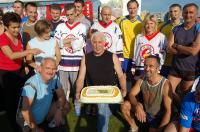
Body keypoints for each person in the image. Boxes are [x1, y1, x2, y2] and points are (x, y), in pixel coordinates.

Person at [76, 32, 127, 132]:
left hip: (111, 89)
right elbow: (81, 78)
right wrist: (77, 92)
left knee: (103, 109)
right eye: (94, 42)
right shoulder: (86, 58)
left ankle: (103, 112)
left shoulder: (112, 56)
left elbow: (121, 75)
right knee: (103, 106)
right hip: (94, 91)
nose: (97, 45)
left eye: (100, 42)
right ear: (91, 43)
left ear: (104, 43)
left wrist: (124, 89)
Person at [0, 12, 42, 131]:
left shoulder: (18, 36)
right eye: (13, 27)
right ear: (6, 27)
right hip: (6, 73)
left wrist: (24, 64)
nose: (16, 30)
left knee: (24, 96)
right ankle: (15, 126)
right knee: (11, 102)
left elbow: (19, 50)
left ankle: (26, 119)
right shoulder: (2, 39)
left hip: (18, 70)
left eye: (18, 26)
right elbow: (12, 55)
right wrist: (30, 51)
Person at [121, 55, 172, 132]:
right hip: (144, 111)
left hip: (156, 116)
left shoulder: (165, 84)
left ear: (157, 68)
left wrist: (160, 129)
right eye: (145, 65)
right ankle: (134, 128)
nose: (147, 69)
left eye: (151, 66)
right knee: (125, 105)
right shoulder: (142, 79)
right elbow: (131, 94)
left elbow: (168, 111)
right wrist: (137, 106)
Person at [17, 57, 69, 132]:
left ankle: (52, 123)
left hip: (43, 117)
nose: (51, 71)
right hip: (28, 122)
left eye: (54, 69)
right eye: (47, 68)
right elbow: (25, 111)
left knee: (66, 104)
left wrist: (59, 110)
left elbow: (61, 95)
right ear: (40, 68)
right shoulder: (31, 84)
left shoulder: (54, 78)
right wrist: (35, 129)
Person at [167, 3, 200, 105]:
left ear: (196, 14)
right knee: (167, 91)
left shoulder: (198, 29)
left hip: (191, 69)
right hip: (176, 67)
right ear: (182, 14)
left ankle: (182, 113)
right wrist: (187, 49)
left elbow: (194, 52)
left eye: (191, 12)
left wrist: (177, 46)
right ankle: (177, 109)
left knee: (186, 95)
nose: (188, 15)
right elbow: (169, 48)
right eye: (186, 12)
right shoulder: (176, 29)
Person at [55, 3, 86, 105]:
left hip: (76, 61)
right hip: (63, 61)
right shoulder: (60, 26)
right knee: (63, 86)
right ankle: (64, 103)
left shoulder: (82, 27)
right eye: (67, 15)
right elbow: (56, 43)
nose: (69, 17)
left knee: (76, 85)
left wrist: (64, 41)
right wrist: (71, 40)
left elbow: (78, 44)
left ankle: (77, 103)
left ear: (76, 12)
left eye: (71, 14)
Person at [116, 0, 143, 89]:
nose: (132, 10)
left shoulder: (142, 21)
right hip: (124, 55)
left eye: (134, 8)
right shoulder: (121, 20)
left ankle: (132, 97)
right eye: (130, 8)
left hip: (138, 56)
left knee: (136, 78)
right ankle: (122, 96)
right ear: (127, 8)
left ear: (137, 8)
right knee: (122, 76)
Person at [132, 14, 167, 79]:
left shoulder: (161, 37)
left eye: (151, 23)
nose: (149, 26)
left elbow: (163, 53)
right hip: (140, 67)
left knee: (151, 87)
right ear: (144, 25)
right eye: (147, 23)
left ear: (155, 24)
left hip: (153, 68)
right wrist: (133, 66)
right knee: (137, 86)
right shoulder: (139, 37)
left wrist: (159, 66)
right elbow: (135, 52)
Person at [159, 4, 182, 77]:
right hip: (164, 62)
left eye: (175, 11)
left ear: (180, 12)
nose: (173, 13)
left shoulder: (184, 26)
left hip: (178, 62)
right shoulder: (162, 26)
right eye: (171, 11)